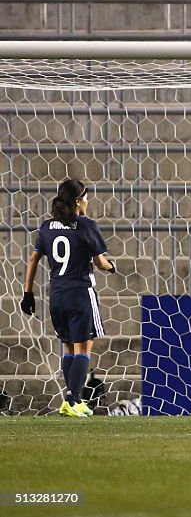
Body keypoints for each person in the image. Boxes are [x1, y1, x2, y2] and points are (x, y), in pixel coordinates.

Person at [22, 179, 117, 418]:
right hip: (80, 293)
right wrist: (110, 267)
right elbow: (99, 261)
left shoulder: (46, 227)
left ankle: (72, 399)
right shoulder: (85, 225)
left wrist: (27, 293)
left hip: (57, 296)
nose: (88, 200)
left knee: (67, 347)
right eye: (85, 196)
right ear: (77, 201)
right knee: (84, 347)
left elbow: (33, 260)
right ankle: (73, 400)